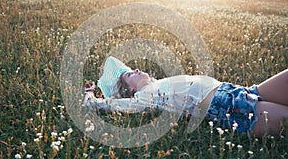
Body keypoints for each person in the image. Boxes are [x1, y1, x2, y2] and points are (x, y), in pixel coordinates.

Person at [85, 56, 288, 137]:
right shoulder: (144, 98)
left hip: (240, 91)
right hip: (231, 109)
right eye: (129, 74)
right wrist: (90, 95)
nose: (136, 69)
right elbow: (105, 105)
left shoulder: (157, 84)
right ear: (128, 91)